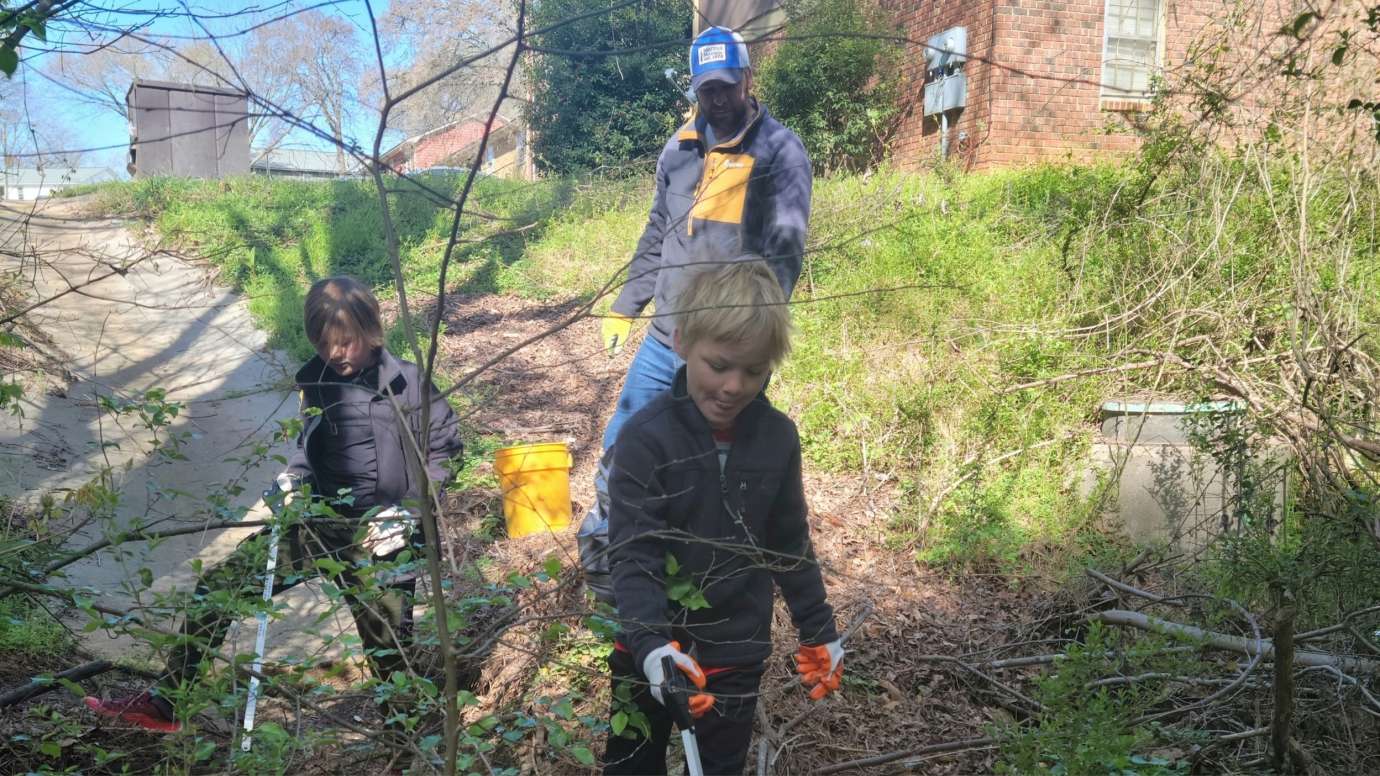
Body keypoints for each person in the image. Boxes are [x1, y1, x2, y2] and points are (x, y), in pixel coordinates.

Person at [84, 275, 463, 733]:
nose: (336, 355)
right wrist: (292, 478)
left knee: (389, 653)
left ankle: (409, 752)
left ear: (371, 331)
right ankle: (166, 703)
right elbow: (311, 443)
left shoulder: (409, 383)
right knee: (219, 587)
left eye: (346, 343)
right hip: (319, 522)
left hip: (383, 538)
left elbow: (445, 451)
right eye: (325, 345)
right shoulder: (317, 381)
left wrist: (410, 509)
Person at [580, 24, 814, 602]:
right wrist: (625, 304)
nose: (717, 100)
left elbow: (785, 253)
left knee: (722, 465)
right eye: (706, 89)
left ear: (747, 81)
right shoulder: (679, 148)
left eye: (727, 87)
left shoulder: (780, 152)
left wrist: (750, 341)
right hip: (667, 338)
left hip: (727, 348)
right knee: (624, 444)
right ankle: (609, 570)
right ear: (695, 88)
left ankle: (710, 583)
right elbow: (658, 230)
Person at [600, 260, 843, 775]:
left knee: (717, 768)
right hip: (649, 648)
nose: (734, 386)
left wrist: (818, 625)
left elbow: (787, 541)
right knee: (631, 767)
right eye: (720, 364)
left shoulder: (778, 439)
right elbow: (634, 553)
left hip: (734, 650)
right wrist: (650, 649)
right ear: (684, 342)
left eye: (754, 371)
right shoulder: (645, 438)